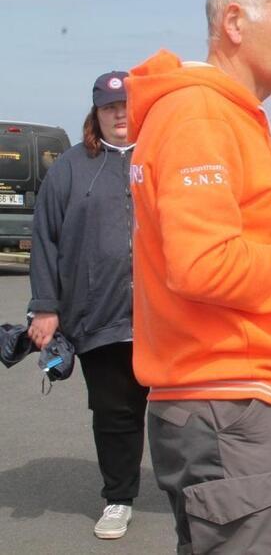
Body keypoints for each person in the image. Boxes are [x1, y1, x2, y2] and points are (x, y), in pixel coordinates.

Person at [127, 0, 271, 554]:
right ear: (235, 21)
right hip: (227, 399)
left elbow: (265, 231)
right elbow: (203, 264)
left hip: (225, 398)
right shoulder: (200, 115)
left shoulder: (226, 114)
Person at [27, 71, 148, 540]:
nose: (119, 114)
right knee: (115, 414)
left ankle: (193, 495)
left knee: (180, 414)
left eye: (126, 105)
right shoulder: (69, 169)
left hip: (166, 321)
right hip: (99, 317)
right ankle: (118, 497)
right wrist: (44, 306)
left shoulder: (162, 159)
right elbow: (45, 241)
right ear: (95, 113)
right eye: (109, 107)